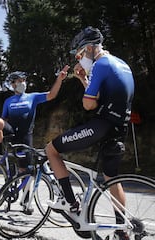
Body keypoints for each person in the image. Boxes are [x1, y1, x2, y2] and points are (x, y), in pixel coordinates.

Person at [45, 26, 134, 240]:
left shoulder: (101, 64)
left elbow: (88, 105)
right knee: (111, 179)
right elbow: (102, 97)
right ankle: (122, 230)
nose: (81, 58)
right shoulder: (122, 64)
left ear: (92, 48)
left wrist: (84, 79)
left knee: (51, 150)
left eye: (81, 53)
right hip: (120, 127)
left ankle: (71, 203)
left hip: (102, 125)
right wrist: (84, 80)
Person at [0, 65, 70, 174]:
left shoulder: (32, 97)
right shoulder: (8, 101)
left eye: (23, 81)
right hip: (12, 133)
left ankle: (25, 191)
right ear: (13, 84)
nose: (22, 83)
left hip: (26, 135)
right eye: (19, 81)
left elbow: (52, 95)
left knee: (25, 170)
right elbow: (3, 119)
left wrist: (59, 79)